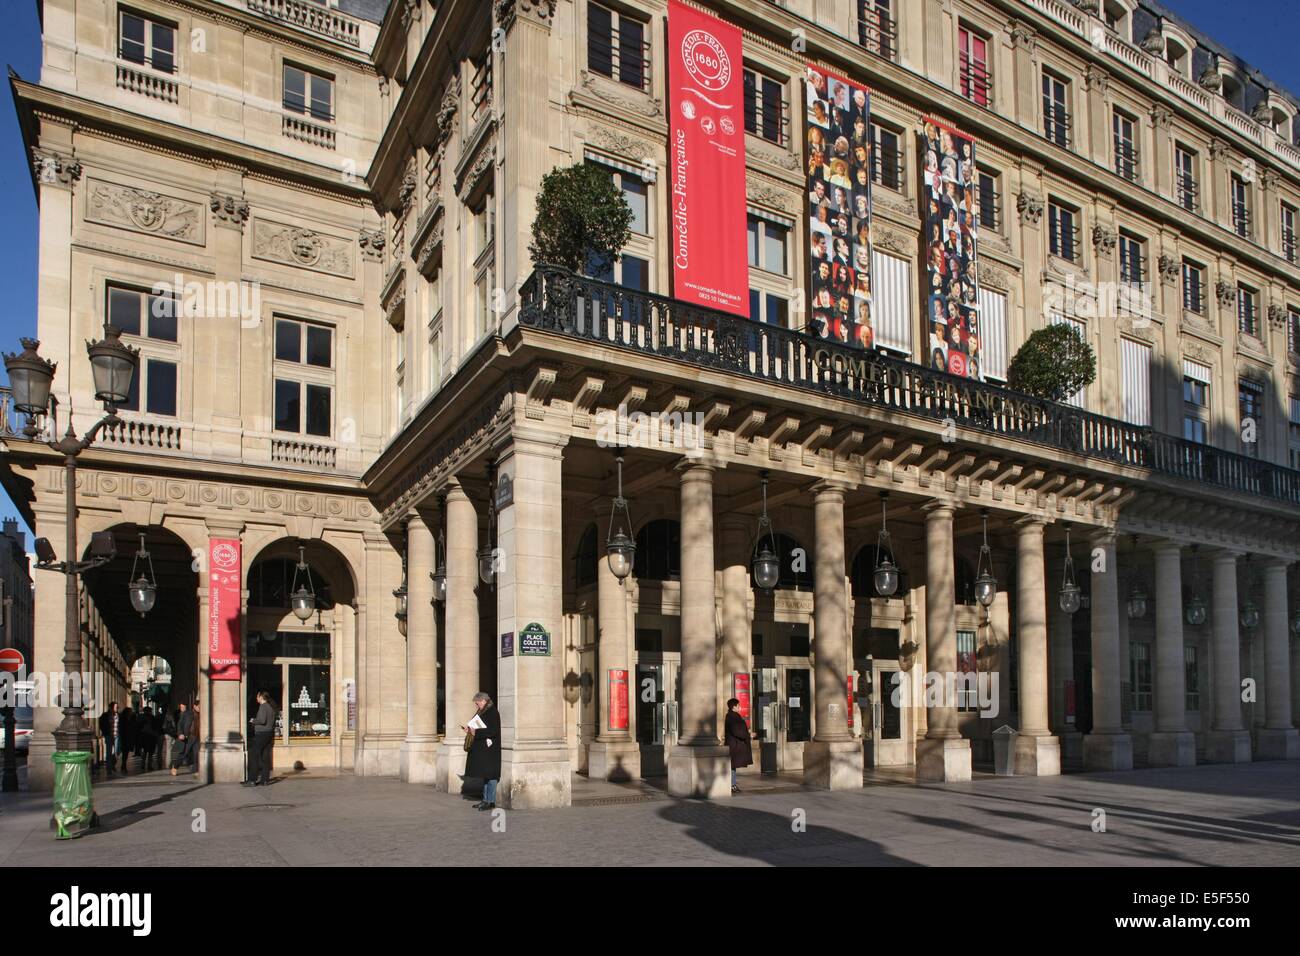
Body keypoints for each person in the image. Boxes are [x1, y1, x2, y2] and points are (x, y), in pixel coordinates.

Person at [463, 691, 501, 811]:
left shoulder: (493, 712)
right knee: (485, 775)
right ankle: (485, 800)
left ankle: (490, 801)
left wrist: (476, 732)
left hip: (490, 749)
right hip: (483, 749)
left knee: (491, 776)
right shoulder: (482, 711)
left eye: (477, 703)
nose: (476, 705)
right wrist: (469, 730)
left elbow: (493, 731)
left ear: (484, 701)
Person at [245, 690, 277, 787]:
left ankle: (252, 780)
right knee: (265, 756)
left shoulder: (263, 707)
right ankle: (265, 780)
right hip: (269, 733)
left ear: (261, 697)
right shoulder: (270, 707)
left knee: (254, 755)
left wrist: (253, 720)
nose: (256, 698)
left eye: (257, 696)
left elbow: (262, 720)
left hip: (262, 733)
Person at [724, 698, 754, 793]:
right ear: (733, 707)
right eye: (738, 705)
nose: (739, 707)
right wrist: (748, 734)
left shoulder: (733, 716)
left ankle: (733, 785)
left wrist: (747, 732)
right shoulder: (732, 717)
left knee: (733, 766)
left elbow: (739, 729)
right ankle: (732, 785)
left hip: (735, 745)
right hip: (735, 745)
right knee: (732, 766)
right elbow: (737, 731)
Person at [171, 702, 195, 776]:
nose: (182, 709)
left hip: (196, 736)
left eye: (183, 707)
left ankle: (195, 769)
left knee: (196, 752)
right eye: (181, 707)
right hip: (188, 736)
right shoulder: (186, 714)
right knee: (184, 753)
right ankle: (175, 767)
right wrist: (181, 733)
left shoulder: (199, 714)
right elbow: (180, 724)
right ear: (195, 706)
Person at [98, 702, 121, 777]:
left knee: (117, 752)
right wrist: (104, 732)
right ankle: (109, 769)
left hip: (117, 735)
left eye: (117, 707)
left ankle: (112, 764)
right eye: (115, 707)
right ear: (111, 707)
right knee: (109, 752)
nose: (117, 709)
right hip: (109, 735)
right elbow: (101, 723)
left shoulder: (118, 715)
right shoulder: (105, 715)